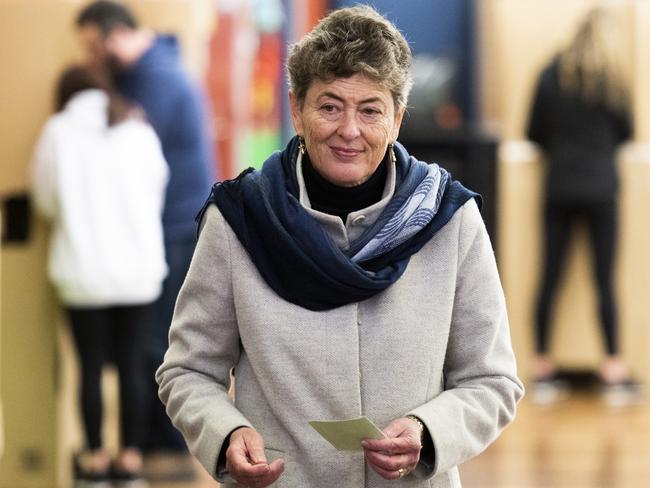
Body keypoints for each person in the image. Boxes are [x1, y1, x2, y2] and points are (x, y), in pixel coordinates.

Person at [156, 5, 523, 487]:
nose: (349, 130)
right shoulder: (241, 217)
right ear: (297, 110)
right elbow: (186, 370)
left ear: (396, 120)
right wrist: (226, 433)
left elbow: (493, 382)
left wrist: (427, 432)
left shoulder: (450, 219)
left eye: (370, 109)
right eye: (329, 106)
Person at [75, 0, 216, 454]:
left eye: (94, 47)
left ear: (114, 35)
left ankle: (167, 441)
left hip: (173, 227)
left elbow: (125, 158)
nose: (91, 59)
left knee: (160, 340)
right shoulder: (152, 72)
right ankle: (161, 439)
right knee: (155, 337)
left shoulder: (157, 81)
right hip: (168, 225)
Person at [31, 64, 168, 487]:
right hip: (136, 271)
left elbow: (45, 201)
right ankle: (129, 461)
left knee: (89, 365)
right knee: (131, 363)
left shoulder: (57, 131)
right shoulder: (138, 128)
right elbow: (157, 189)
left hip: (82, 270)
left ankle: (92, 460)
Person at [526, 8, 639, 405]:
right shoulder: (613, 81)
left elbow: (532, 131)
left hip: (559, 186)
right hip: (601, 189)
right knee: (603, 280)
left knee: (549, 276)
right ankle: (612, 367)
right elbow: (628, 131)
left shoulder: (550, 73)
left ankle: (542, 368)